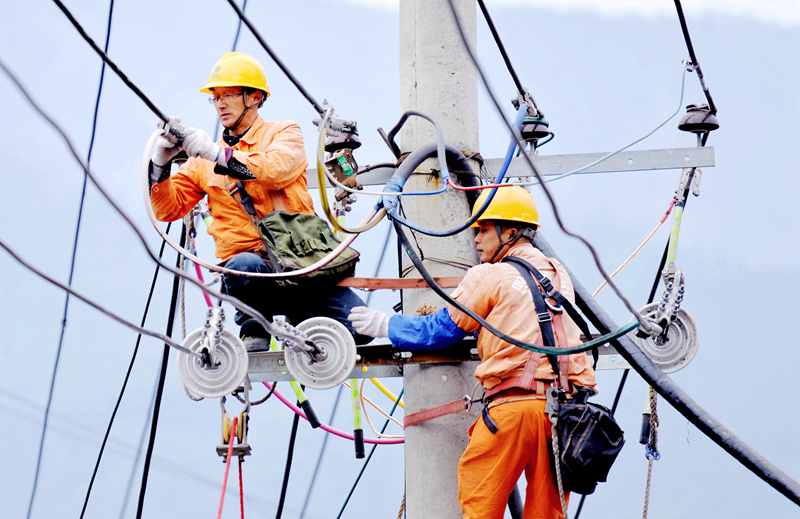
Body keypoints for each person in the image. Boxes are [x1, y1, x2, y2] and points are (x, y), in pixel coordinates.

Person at [348, 186, 597, 519]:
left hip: (512, 409)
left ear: (510, 232)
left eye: (484, 229)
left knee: (479, 506)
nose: (476, 239)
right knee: (548, 514)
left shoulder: (490, 275)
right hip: (564, 417)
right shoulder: (557, 274)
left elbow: (442, 330)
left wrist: (386, 325)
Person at [148, 51, 369, 350]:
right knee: (243, 265)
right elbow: (167, 209)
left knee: (360, 330)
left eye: (228, 95)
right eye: (215, 97)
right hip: (253, 274)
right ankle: (255, 324)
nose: (220, 104)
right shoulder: (200, 163)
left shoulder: (284, 134)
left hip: (301, 265)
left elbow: (274, 170)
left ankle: (302, 318)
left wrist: (218, 155)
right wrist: (159, 167)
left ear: (254, 97)